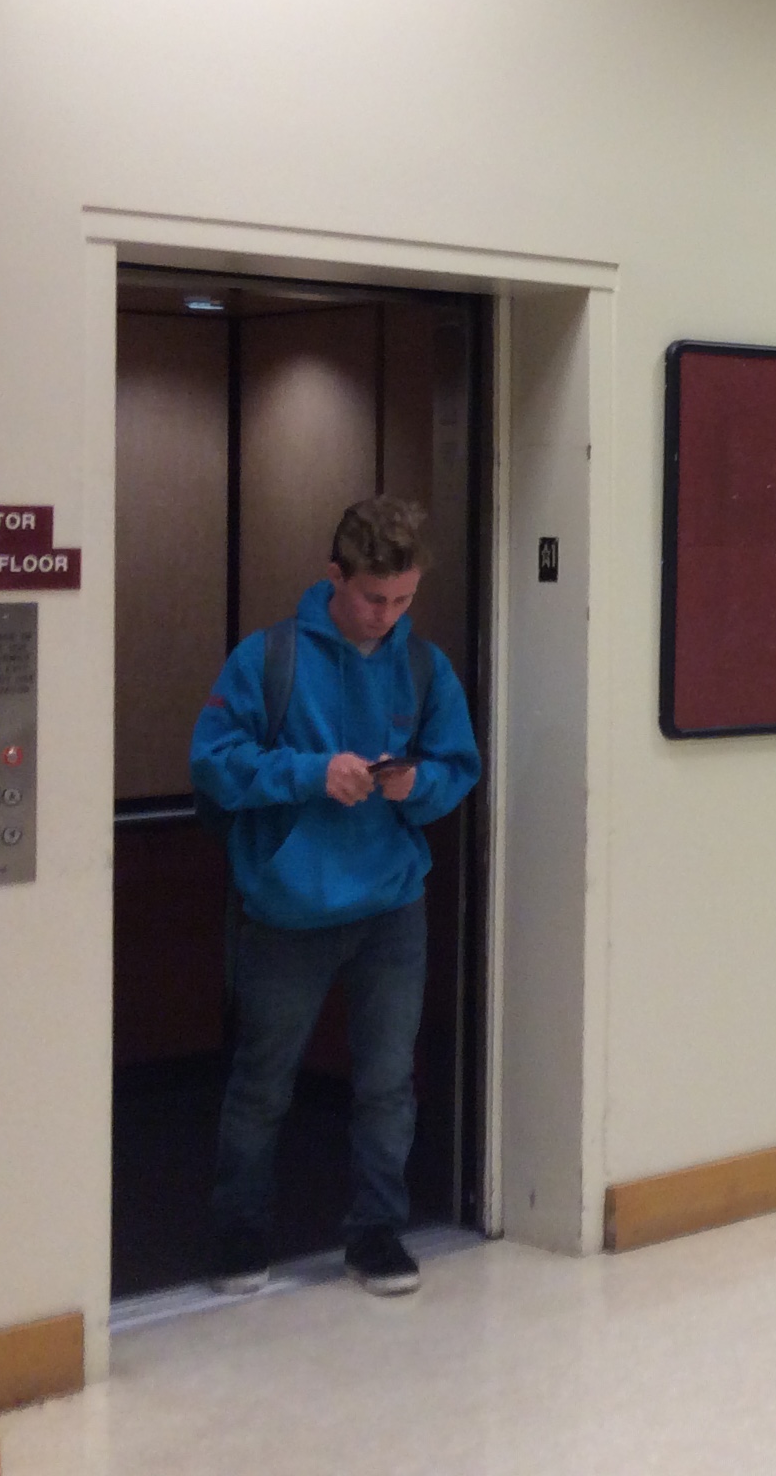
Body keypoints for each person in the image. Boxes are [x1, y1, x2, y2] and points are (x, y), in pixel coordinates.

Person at [190, 495, 481, 1298]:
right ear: (334, 577)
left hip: (391, 907)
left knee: (388, 1082)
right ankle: (240, 1234)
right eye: (373, 598)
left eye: (403, 600)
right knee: (263, 1082)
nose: (387, 616)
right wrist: (311, 774)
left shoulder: (424, 669)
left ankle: (376, 1233)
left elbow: (458, 767)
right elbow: (212, 761)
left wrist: (418, 785)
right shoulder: (269, 658)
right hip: (287, 909)